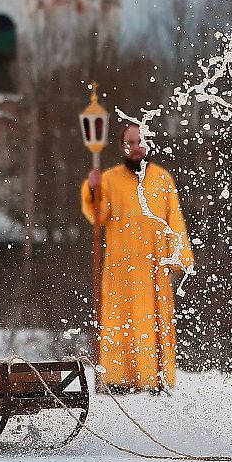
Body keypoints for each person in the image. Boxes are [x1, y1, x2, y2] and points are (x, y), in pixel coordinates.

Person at [81, 123, 194, 393]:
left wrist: (180, 256)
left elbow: (174, 220)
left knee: (154, 321)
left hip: (153, 266)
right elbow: (100, 216)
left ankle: (153, 378)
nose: (134, 148)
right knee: (117, 320)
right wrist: (93, 189)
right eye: (129, 142)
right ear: (122, 146)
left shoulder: (162, 179)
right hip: (120, 267)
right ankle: (117, 378)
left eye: (139, 141)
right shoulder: (109, 178)